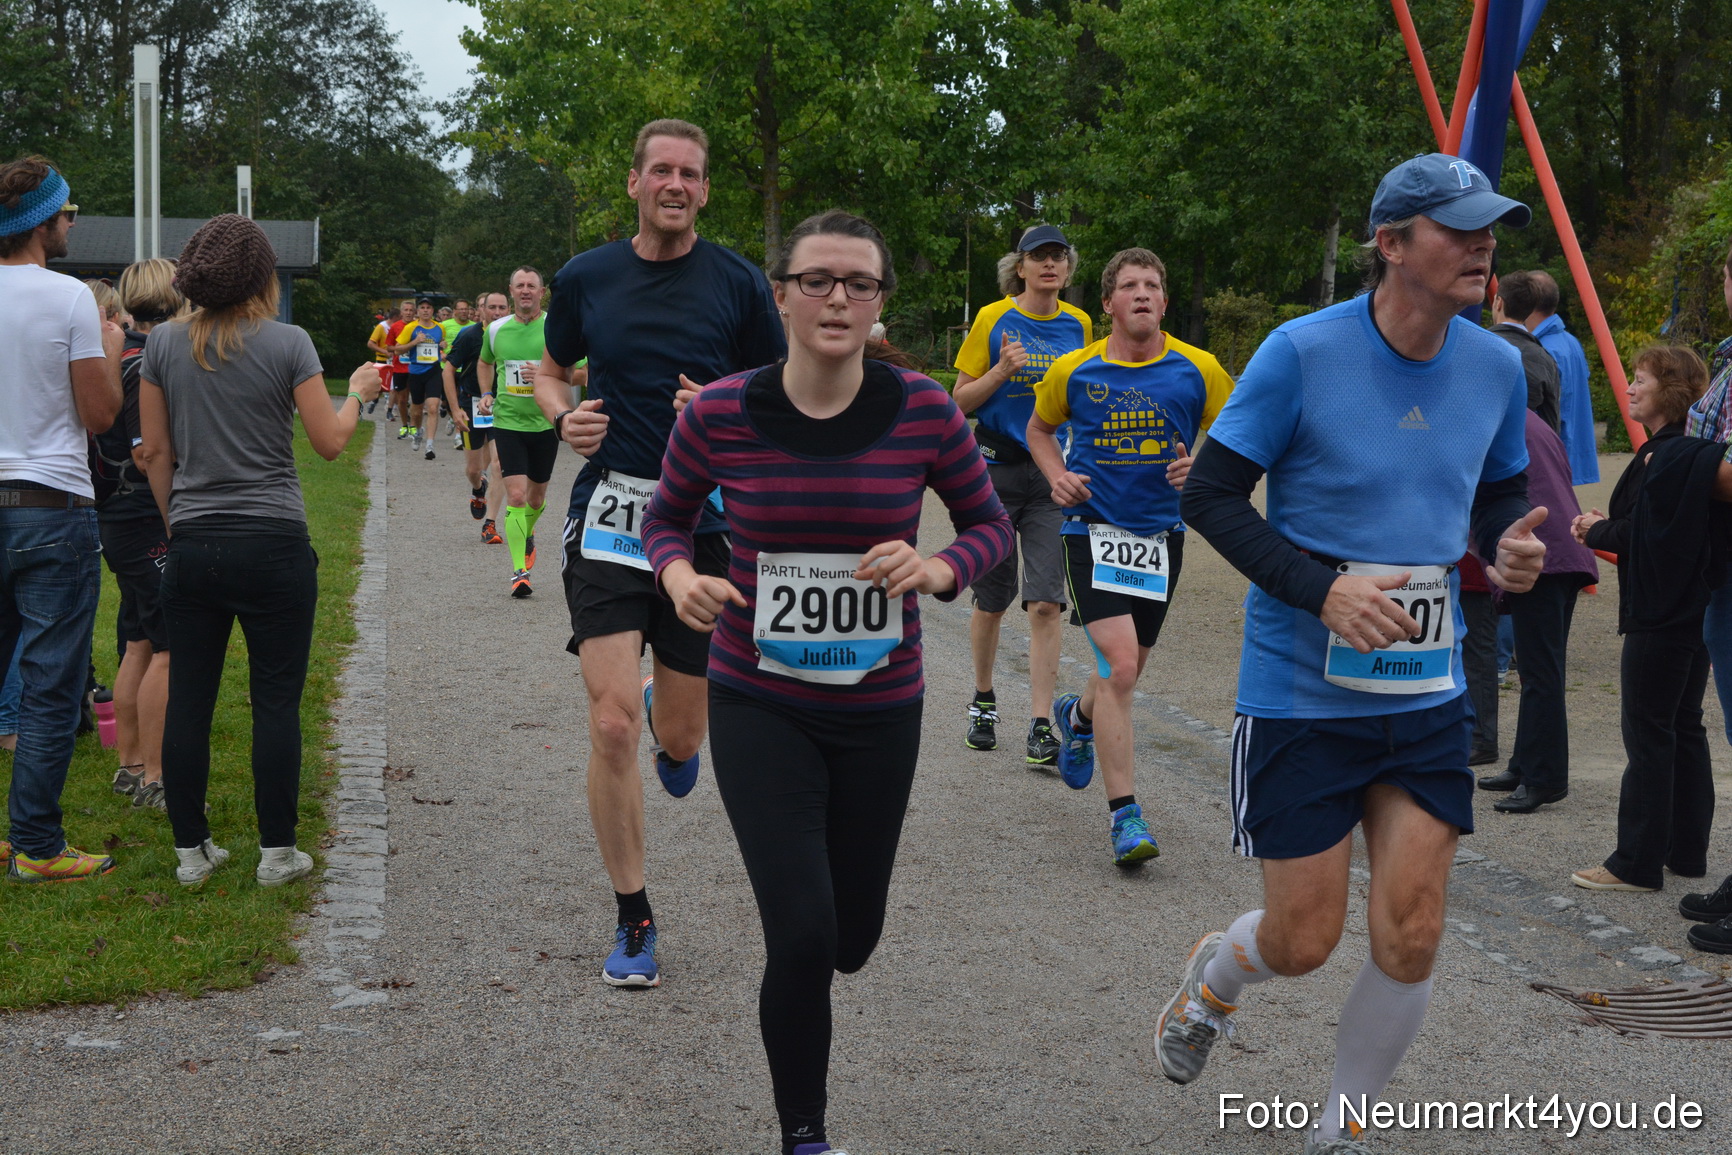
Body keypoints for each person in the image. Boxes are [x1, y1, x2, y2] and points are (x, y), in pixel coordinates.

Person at [1157, 154, 1544, 1154]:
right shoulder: (1300, 352)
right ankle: (1219, 972)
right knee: (1304, 941)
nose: (1483, 246)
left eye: (1489, 229)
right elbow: (1209, 495)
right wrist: (1321, 589)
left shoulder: (1497, 366)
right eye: (1459, 228)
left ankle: (1342, 1127)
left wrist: (1505, 542)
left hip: (1425, 688)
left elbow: (1499, 488)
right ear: (1391, 244)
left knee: (1413, 931)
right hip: (1300, 694)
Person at [642, 209, 1012, 1155]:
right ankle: (804, 1135)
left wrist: (938, 568)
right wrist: (678, 578)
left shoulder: (923, 408)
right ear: (782, 295)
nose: (838, 298)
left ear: (881, 299)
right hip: (758, 698)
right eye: (817, 280)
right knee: (804, 934)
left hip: (881, 708)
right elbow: (665, 518)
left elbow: (991, 526)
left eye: (860, 282)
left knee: (852, 939)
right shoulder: (721, 411)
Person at [536, 118, 786, 987]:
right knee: (610, 724)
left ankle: (669, 722)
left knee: (680, 734)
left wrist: (723, 404)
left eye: (691, 173)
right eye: (662, 171)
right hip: (610, 512)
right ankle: (634, 916)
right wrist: (563, 414)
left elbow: (779, 393)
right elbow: (550, 368)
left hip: (704, 524)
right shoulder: (587, 276)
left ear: (705, 190)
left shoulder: (738, 283)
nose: (676, 184)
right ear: (636, 182)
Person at [138, 214, 384, 888]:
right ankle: (278, 853)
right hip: (274, 542)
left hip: (194, 543)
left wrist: (178, 522)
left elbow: (155, 451)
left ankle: (192, 852)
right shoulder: (289, 342)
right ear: (262, 277)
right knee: (275, 700)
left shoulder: (162, 344)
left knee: (190, 699)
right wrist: (358, 395)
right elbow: (330, 441)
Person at [1025, 248, 1232, 864]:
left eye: (1152, 285)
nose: (1142, 293)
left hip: (1161, 538)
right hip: (1091, 530)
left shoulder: (1199, 368)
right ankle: (1126, 818)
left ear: (1164, 302)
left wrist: (1205, 469)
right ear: (1109, 303)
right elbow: (1039, 430)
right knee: (1118, 666)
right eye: (1130, 285)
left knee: (1125, 672)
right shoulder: (1075, 369)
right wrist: (1057, 477)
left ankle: (1076, 717)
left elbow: (1240, 436)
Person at [0, 155, 124, 881]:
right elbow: (100, 414)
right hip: (51, 505)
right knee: (49, 687)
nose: (72, 224)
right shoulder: (70, 297)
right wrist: (108, 352)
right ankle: (38, 846)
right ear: (42, 221)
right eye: (68, 212)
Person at [1569, 346, 1732, 892]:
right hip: (1694, 607)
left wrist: (1593, 530)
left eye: (1641, 380)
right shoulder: (1694, 455)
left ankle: (1635, 862)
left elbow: (1652, 536)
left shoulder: (1665, 457)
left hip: (1660, 610)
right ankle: (1686, 852)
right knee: (1684, 725)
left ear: (1671, 392)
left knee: (1647, 730)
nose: (1631, 388)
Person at [950, 225, 1091, 763]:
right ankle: (983, 701)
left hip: (1050, 475)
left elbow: (1082, 397)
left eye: (1059, 256)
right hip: (994, 473)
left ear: (1068, 269)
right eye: (1039, 257)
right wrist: (1001, 372)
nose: (1050, 264)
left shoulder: (1079, 324)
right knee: (992, 599)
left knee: (1047, 602)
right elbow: (958, 402)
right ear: (1021, 267)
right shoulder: (992, 318)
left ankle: (1040, 723)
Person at [1473, 410, 1596, 812]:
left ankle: (1545, 778)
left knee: (1540, 671)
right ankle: (1524, 764)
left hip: (1541, 555)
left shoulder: (1492, 418)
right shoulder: (1529, 420)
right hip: (1560, 550)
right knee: (1538, 667)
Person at [100, 257, 183, 811]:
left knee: (138, 640)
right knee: (170, 647)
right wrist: (174, 518)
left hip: (115, 513)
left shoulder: (122, 350)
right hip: (144, 515)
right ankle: (157, 776)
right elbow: (146, 451)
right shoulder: (150, 359)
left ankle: (130, 764)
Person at [479, 268, 561, 594]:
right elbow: (484, 362)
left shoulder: (557, 328)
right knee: (516, 496)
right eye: (520, 286)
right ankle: (519, 573)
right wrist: (486, 393)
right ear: (511, 291)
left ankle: (527, 531)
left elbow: (582, 371)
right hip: (507, 423)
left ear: (542, 292)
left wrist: (546, 374)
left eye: (532, 286)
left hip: (545, 423)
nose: (525, 290)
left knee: (536, 499)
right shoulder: (496, 329)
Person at [1525, 271, 1598, 484]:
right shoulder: (1570, 342)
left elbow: (1549, 408)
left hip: (1550, 457)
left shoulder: (1540, 350)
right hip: (1570, 453)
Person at [445, 290, 507, 530]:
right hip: (472, 404)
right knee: (473, 470)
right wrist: (455, 409)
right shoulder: (469, 335)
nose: (497, 313)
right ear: (481, 310)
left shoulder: (511, 333)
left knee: (499, 464)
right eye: (491, 307)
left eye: (502, 308)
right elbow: (448, 371)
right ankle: (478, 488)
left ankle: (490, 523)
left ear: (508, 310)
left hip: (502, 405)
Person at [1488, 271, 1560, 432]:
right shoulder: (1544, 359)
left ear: (1499, 303)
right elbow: (1551, 424)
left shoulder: (1474, 346)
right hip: (1527, 444)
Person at [395, 297, 446, 459]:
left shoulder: (440, 328)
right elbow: (397, 350)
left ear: (433, 311)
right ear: (418, 311)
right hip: (416, 372)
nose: (425, 310)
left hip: (434, 370)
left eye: (428, 308)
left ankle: (430, 445)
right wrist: (415, 342)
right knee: (416, 411)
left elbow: (441, 345)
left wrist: (442, 348)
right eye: (422, 307)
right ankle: (417, 432)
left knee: (433, 407)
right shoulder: (411, 328)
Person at [386, 298, 416, 437]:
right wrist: (401, 348)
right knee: (402, 400)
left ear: (415, 312)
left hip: (416, 368)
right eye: (406, 310)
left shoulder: (419, 326)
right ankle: (404, 425)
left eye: (411, 310)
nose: (408, 313)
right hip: (400, 368)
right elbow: (389, 347)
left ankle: (414, 426)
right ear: (401, 312)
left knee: (416, 400)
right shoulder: (395, 327)